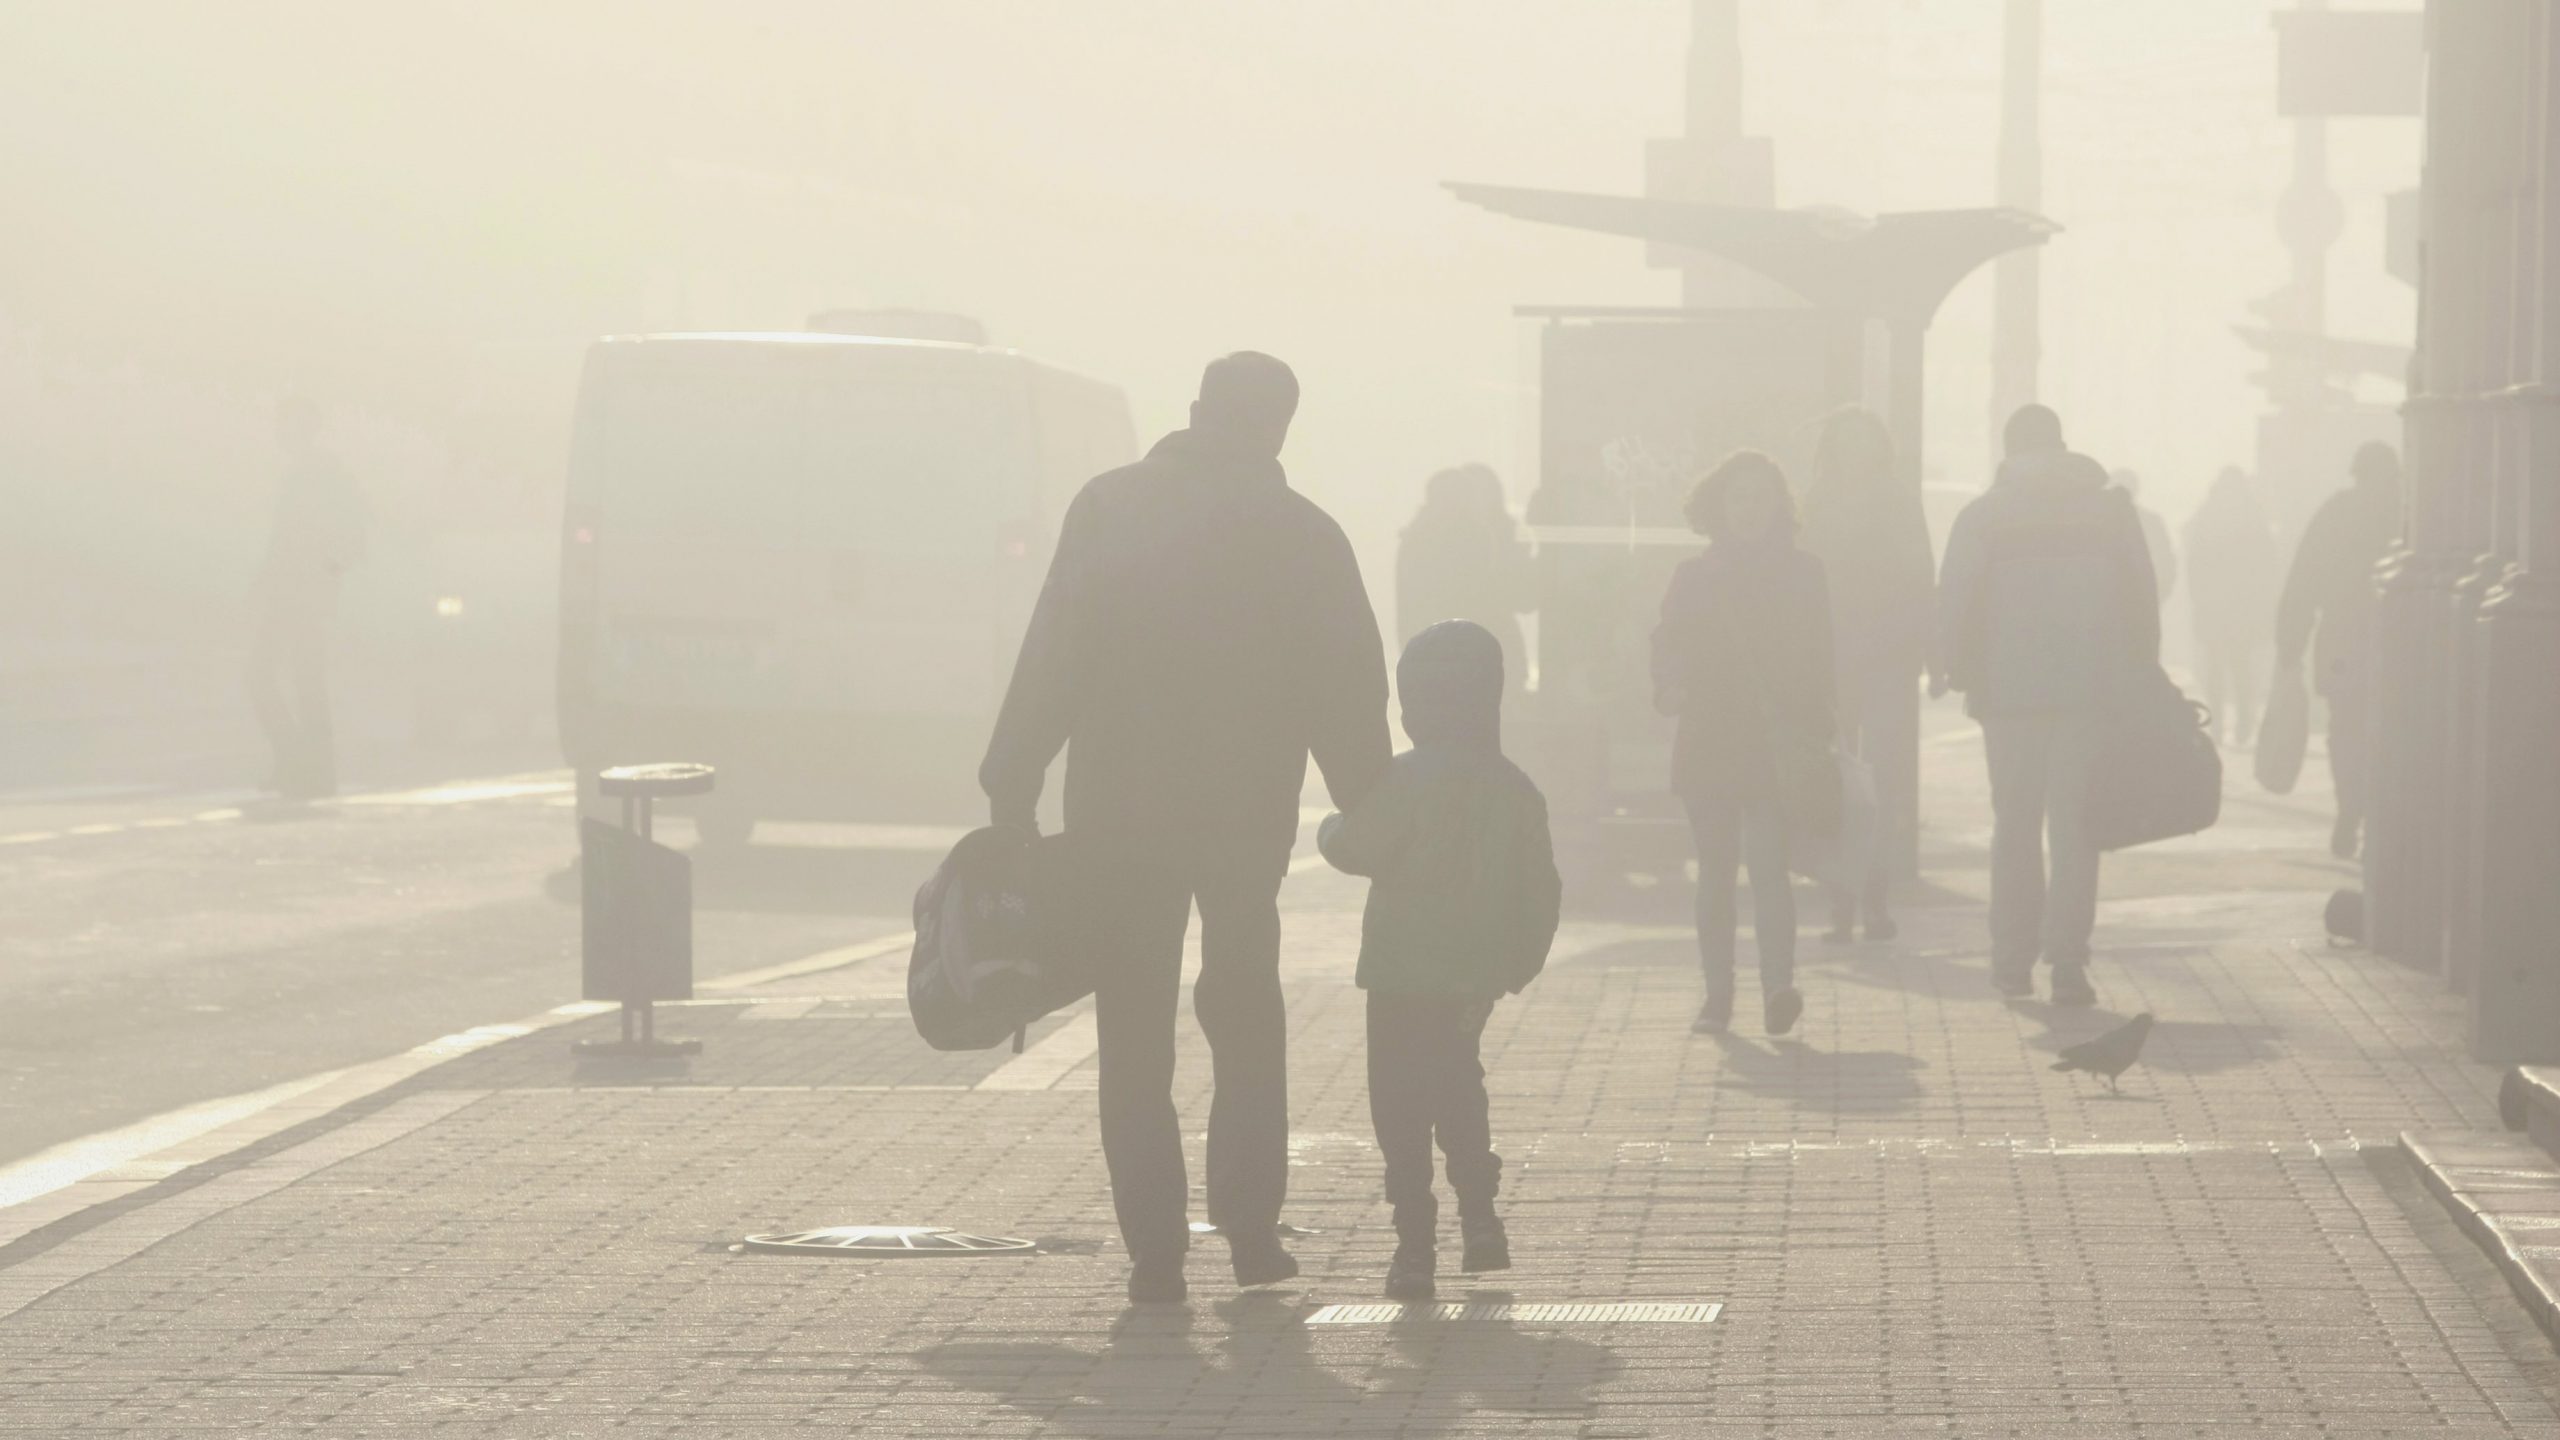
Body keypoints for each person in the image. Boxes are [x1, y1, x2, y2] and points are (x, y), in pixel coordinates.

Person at [979, 352, 1393, 1304]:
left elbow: (1058, 644)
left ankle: (1155, 1248)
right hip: (1246, 817)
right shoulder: (1304, 534)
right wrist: (1371, 808)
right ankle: (1251, 1234)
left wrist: (1013, 780)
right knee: (1246, 1007)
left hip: (1120, 813)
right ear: (1281, 428)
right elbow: (1347, 687)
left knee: (1133, 1027)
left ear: (1197, 408)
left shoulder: (1112, 506)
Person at [1317, 620, 1559, 1303]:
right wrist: (1514, 965)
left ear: (1412, 705)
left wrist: (1328, 826)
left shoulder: (1403, 778)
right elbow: (1541, 890)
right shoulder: (1514, 788)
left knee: (1398, 1103)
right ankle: (1480, 1216)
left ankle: (1413, 1247)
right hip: (1468, 975)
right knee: (1458, 1086)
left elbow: (1355, 848)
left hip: (1397, 972)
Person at [1937, 406, 2158, 1007]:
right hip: (2090, 691)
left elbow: (1954, 594)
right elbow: (2143, 596)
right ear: (2063, 445)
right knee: (2074, 831)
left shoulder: (1984, 514)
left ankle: (2012, 963)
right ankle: (2067, 964)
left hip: (2008, 694)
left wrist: (1943, 666)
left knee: (2014, 827)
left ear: (2008, 451)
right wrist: (2140, 674)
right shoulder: (2111, 512)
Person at [1650, 451, 1833, 1037]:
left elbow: (1820, 657)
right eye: (1738, 497)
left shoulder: (1806, 573)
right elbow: (1668, 644)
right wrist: (1669, 686)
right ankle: (1718, 994)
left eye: (1759, 496)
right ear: (1719, 508)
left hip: (1773, 739)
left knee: (1770, 868)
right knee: (1716, 872)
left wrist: (1820, 728)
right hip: (1709, 735)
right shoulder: (1694, 576)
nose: (1749, 509)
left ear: (1779, 504)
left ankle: (1777, 985)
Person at [1798, 407, 1934, 942]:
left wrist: (1930, 648)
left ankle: (1872, 895)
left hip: (1886, 656)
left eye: (1866, 442)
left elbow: (1921, 574)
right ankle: (1842, 897)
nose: (1858, 452)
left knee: (1879, 781)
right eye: (1848, 441)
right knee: (1837, 777)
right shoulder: (1819, 499)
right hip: (1833, 657)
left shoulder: (1894, 500)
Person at [2277, 441, 2402, 860]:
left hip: (2341, 639)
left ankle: (2350, 806)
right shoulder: (2406, 513)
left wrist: (2290, 643)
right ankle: (2375, 813)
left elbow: (2303, 577)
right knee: (2389, 730)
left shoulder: (2337, 511)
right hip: (2393, 641)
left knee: (2345, 727)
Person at [247, 396, 366, 800]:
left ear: (303, 427)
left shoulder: (317, 473)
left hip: (301, 592)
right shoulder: (311, 471)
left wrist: (322, 579)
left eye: (286, 423)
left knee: (270, 676)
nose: (280, 431)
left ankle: (303, 766)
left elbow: (345, 535)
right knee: (301, 680)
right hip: (297, 590)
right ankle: (307, 769)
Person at [1396, 464, 1535, 696]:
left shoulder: (1418, 539)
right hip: (1475, 666)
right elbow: (1515, 596)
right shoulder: (1468, 540)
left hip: (1437, 665)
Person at [2183, 466, 2280, 746]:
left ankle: (2217, 723)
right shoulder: (2253, 516)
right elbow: (2267, 565)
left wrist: (2199, 600)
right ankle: (2244, 720)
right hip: (2243, 608)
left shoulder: (2207, 516)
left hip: (2213, 607)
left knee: (2215, 667)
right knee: (2240, 666)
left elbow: (2194, 564)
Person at [2110, 468, 2180, 608]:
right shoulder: (2152, 521)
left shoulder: (2096, 522)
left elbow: (2165, 563)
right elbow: (2167, 564)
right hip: (2143, 600)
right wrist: (2159, 594)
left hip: (2110, 604)